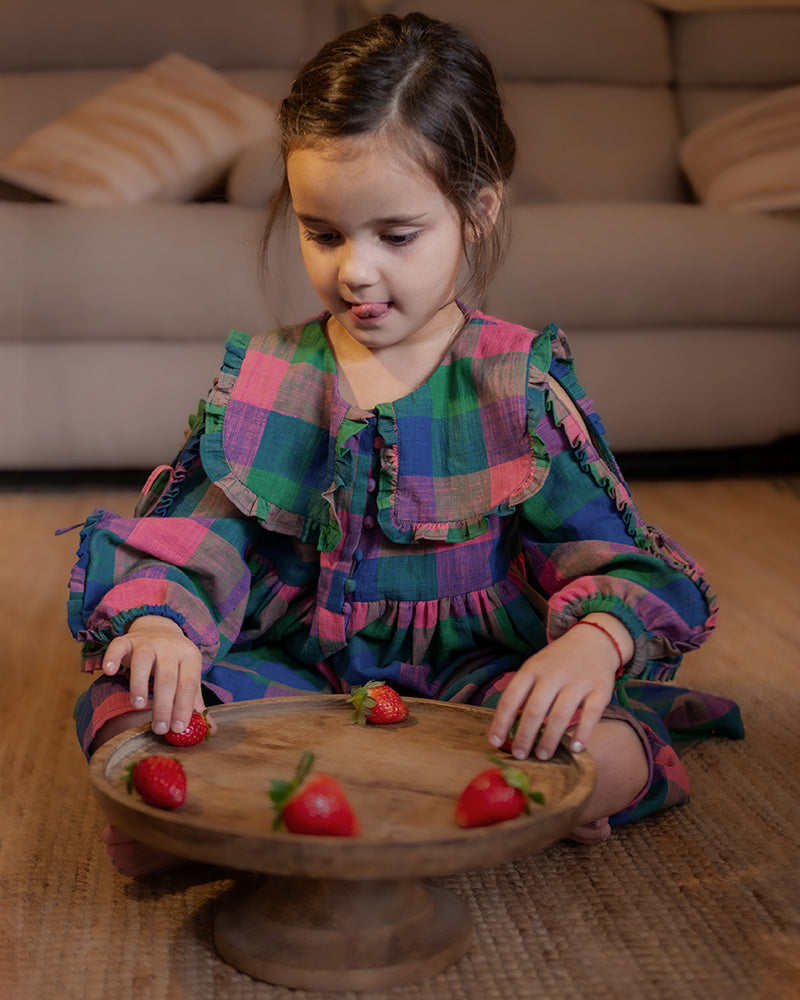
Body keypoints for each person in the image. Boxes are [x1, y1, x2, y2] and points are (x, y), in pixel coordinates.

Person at [68, 12, 743, 876]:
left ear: (478, 208)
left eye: (396, 236)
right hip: (294, 672)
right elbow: (197, 535)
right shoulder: (271, 374)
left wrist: (590, 644)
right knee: (131, 700)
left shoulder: (516, 384)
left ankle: (505, 796)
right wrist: (162, 620)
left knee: (604, 737)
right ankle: (232, 811)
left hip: (475, 682)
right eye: (323, 233)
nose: (354, 270)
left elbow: (611, 557)